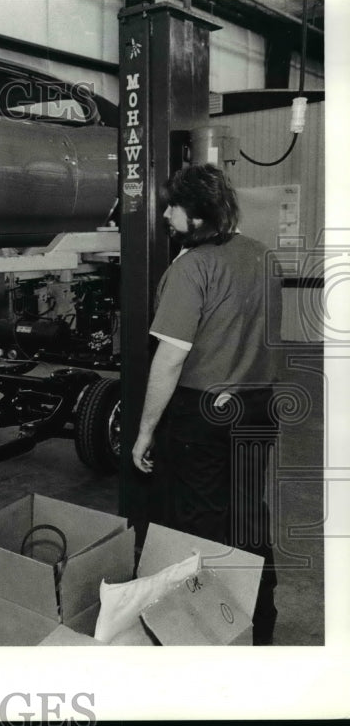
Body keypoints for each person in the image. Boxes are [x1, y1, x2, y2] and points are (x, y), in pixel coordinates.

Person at [130, 164, 283, 645]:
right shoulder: (263, 257)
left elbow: (170, 360)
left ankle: (208, 637)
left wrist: (145, 431)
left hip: (205, 414)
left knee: (198, 528)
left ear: (195, 217)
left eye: (173, 207)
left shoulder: (191, 267)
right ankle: (260, 628)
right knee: (246, 517)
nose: (167, 214)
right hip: (258, 407)